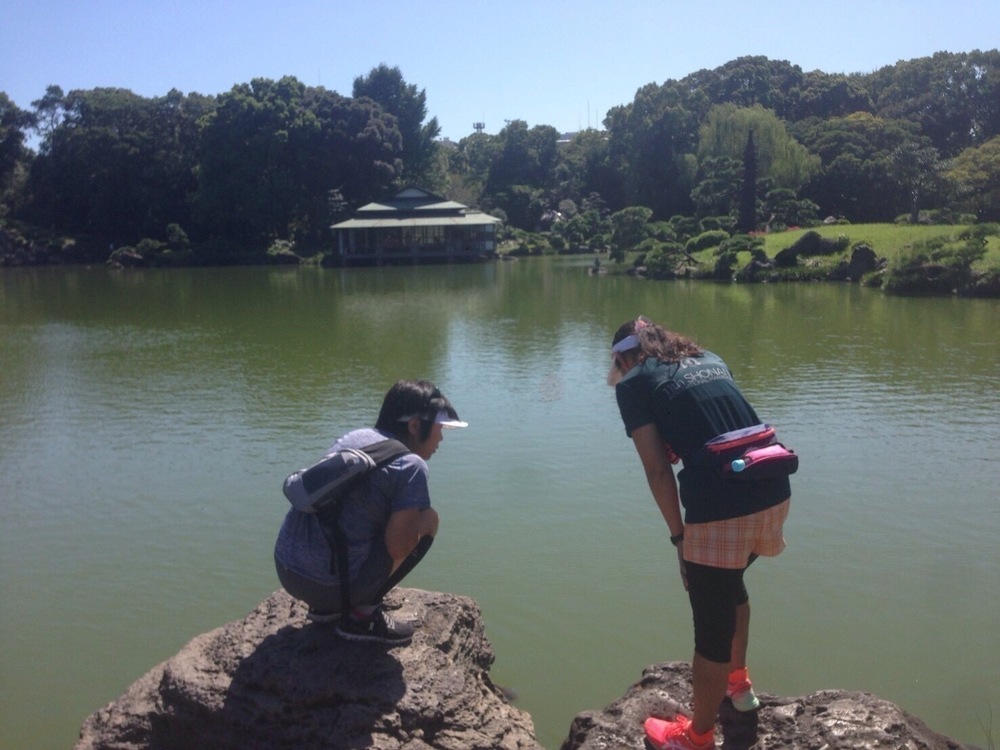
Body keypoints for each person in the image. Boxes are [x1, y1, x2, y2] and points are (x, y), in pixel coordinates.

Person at [608, 316, 792, 750]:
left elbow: (657, 470)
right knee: (730, 586)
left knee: (710, 627)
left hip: (722, 506)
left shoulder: (633, 383)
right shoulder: (708, 358)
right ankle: (738, 688)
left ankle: (697, 737)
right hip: (774, 485)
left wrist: (680, 539)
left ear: (624, 358)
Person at [274, 379, 466, 646]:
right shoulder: (411, 466)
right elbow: (399, 548)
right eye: (439, 428)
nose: (441, 438)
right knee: (428, 520)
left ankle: (327, 609)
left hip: (286, 569)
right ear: (414, 426)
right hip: (325, 587)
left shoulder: (356, 438)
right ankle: (361, 615)